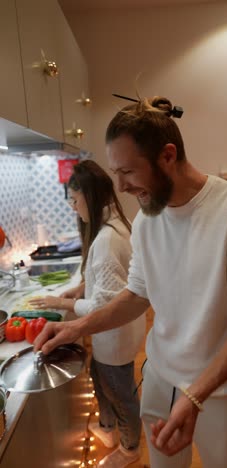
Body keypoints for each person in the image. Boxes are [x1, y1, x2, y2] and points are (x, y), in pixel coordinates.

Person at [34, 97, 227, 468]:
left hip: (221, 392)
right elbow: (137, 293)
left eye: (128, 172)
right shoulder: (146, 221)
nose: (120, 186)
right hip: (160, 379)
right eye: (115, 172)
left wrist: (196, 396)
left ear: (168, 156)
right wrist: (76, 327)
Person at [30, 160, 145, 468]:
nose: (72, 206)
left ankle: (131, 448)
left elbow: (103, 306)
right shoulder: (116, 224)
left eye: (74, 199)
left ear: (89, 197)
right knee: (101, 378)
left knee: (121, 394)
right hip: (118, 332)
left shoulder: (106, 239)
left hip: (114, 334)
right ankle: (108, 430)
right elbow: (108, 279)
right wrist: (81, 287)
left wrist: (62, 304)